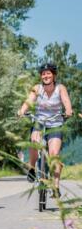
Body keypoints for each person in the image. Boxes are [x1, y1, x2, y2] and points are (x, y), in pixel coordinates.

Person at [18, 62, 72, 191]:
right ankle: (31, 168)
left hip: (55, 124)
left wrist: (69, 110)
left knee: (54, 155)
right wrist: (22, 110)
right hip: (39, 122)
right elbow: (29, 100)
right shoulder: (37, 88)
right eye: (43, 74)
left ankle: (56, 186)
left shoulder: (60, 88)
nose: (46, 76)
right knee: (34, 144)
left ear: (54, 75)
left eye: (48, 73)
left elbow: (65, 100)